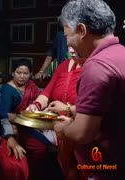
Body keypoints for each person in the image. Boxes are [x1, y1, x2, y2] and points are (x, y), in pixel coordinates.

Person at [54, 0, 125, 179]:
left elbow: (82, 134)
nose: (68, 42)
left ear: (82, 30)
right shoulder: (120, 53)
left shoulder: (96, 66)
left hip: (104, 167)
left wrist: (61, 128)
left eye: (68, 35)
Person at [26, 46, 83, 180]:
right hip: (60, 129)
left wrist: (67, 108)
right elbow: (48, 91)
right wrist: (36, 105)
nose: (70, 50)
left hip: (81, 128)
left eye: (74, 45)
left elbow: (96, 107)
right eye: (68, 44)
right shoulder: (63, 65)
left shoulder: (94, 67)